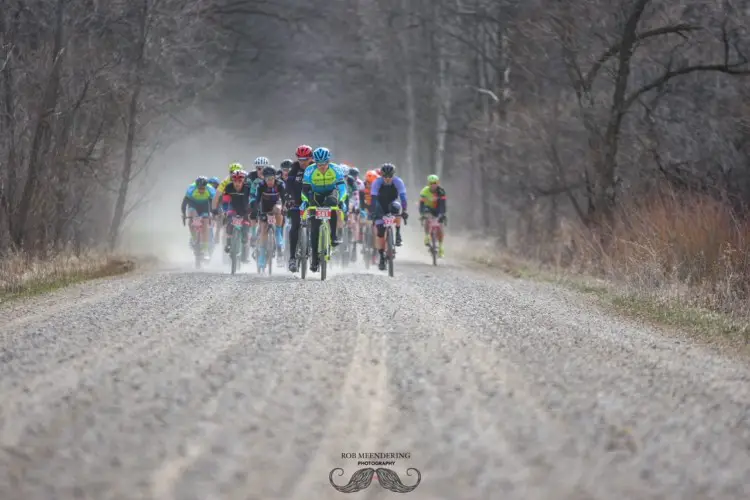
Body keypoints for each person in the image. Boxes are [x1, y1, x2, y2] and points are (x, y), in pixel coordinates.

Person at [300, 146, 348, 273]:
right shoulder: (310, 170)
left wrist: (342, 200)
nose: (322, 166)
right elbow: (305, 190)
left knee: (332, 204)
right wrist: (305, 201)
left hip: (330, 193)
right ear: (315, 162)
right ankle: (315, 259)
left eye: (324, 163)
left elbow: (342, 189)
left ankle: (333, 236)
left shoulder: (336, 169)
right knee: (315, 227)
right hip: (316, 196)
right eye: (319, 164)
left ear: (329, 161)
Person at [370, 163, 408, 270]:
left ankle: (398, 233)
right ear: (381, 175)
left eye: (389, 176)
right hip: (380, 205)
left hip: (392, 203)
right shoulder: (377, 182)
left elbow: (403, 197)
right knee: (380, 232)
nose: (387, 178)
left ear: (393, 175)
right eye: (385, 176)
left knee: (397, 209)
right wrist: (373, 212)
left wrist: (404, 210)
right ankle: (381, 256)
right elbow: (373, 199)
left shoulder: (398, 182)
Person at [212, 169, 252, 263]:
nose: (237, 184)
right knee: (229, 222)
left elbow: (253, 201)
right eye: (235, 181)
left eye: (240, 181)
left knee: (245, 232)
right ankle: (229, 243)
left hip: (245, 209)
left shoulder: (248, 188)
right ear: (232, 181)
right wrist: (225, 211)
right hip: (233, 207)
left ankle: (244, 253)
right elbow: (225, 201)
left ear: (243, 181)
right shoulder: (229, 187)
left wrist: (252, 212)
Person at [285, 145, 314, 272]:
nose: (302, 162)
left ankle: (316, 255)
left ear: (311, 158)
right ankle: (292, 258)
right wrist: (288, 198)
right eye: (300, 159)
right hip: (297, 202)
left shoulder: (315, 168)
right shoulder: (294, 168)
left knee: (316, 226)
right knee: (295, 226)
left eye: (305, 159)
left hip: (312, 201)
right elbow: (288, 186)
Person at [252, 165, 286, 270]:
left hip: (276, 204)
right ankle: (262, 255)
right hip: (264, 206)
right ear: (264, 178)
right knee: (263, 230)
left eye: (272, 179)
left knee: (278, 209)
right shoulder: (261, 185)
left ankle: (278, 234)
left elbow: (284, 199)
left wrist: (285, 208)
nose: (270, 181)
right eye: (267, 179)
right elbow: (257, 201)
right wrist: (254, 212)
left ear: (275, 177)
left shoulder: (280, 184)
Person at [181, 176, 216, 259]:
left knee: (205, 225)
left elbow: (215, 203)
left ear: (206, 187)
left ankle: (205, 249)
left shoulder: (210, 190)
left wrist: (215, 213)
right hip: (193, 204)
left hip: (205, 205)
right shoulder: (191, 189)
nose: (201, 190)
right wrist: (184, 214)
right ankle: (194, 238)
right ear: (196, 187)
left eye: (203, 188)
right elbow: (184, 203)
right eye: (199, 188)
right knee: (192, 219)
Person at [419, 174, 447, 257]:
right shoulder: (424, 191)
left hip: (438, 208)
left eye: (435, 183)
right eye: (431, 183)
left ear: (438, 183)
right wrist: (422, 214)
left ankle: (441, 246)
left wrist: (442, 214)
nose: (433, 185)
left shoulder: (441, 191)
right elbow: (421, 204)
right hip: (428, 208)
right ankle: (427, 235)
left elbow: (443, 204)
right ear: (428, 184)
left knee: (440, 226)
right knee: (428, 217)